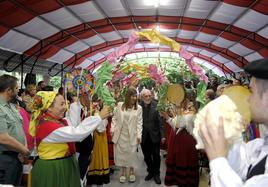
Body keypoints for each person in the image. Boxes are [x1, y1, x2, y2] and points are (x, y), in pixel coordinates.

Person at [199, 58, 268, 187]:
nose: (247, 98)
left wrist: (217, 159)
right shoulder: (260, 145)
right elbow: (243, 170)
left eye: (251, 91)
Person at [29, 91, 110, 187]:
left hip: (62, 165)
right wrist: (99, 117)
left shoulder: (57, 121)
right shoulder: (48, 127)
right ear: (49, 107)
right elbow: (77, 132)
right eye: (62, 104)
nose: (65, 107)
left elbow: (76, 126)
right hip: (53, 169)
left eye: (65, 103)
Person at [0, 74, 30, 185]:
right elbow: (3, 138)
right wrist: (24, 150)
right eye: (16, 88)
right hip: (5, 159)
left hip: (17, 157)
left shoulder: (12, 106)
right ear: (9, 90)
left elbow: (20, 129)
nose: (19, 91)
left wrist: (23, 149)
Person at [161, 99, 199, 186]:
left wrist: (177, 113)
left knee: (186, 162)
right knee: (179, 161)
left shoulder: (193, 113)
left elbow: (182, 124)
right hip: (178, 142)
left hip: (188, 143)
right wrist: (167, 117)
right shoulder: (181, 111)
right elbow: (175, 124)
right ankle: (179, 181)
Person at [111, 86, 143, 183]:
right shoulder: (120, 105)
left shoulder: (139, 108)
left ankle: (132, 172)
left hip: (132, 135)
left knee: (132, 154)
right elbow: (114, 118)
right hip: (121, 135)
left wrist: (139, 135)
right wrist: (112, 128)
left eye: (135, 96)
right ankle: (123, 172)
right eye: (132, 96)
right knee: (122, 155)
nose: (134, 98)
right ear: (127, 96)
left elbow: (139, 122)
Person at [140, 88, 165, 185]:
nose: (148, 97)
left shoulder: (156, 105)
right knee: (146, 156)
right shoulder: (138, 107)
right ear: (142, 97)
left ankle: (156, 174)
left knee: (156, 156)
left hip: (155, 135)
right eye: (146, 96)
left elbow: (160, 122)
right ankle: (150, 171)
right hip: (144, 136)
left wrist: (163, 135)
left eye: (149, 95)